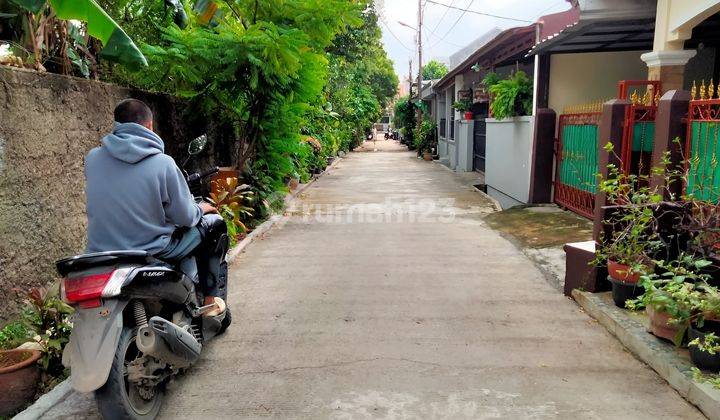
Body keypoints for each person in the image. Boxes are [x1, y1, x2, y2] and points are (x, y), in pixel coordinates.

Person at [84, 98, 228, 316]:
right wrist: (202, 208)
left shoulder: (92, 159)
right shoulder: (163, 163)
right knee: (214, 224)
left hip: (101, 253)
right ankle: (210, 303)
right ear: (149, 126)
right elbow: (186, 217)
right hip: (152, 250)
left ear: (117, 125)